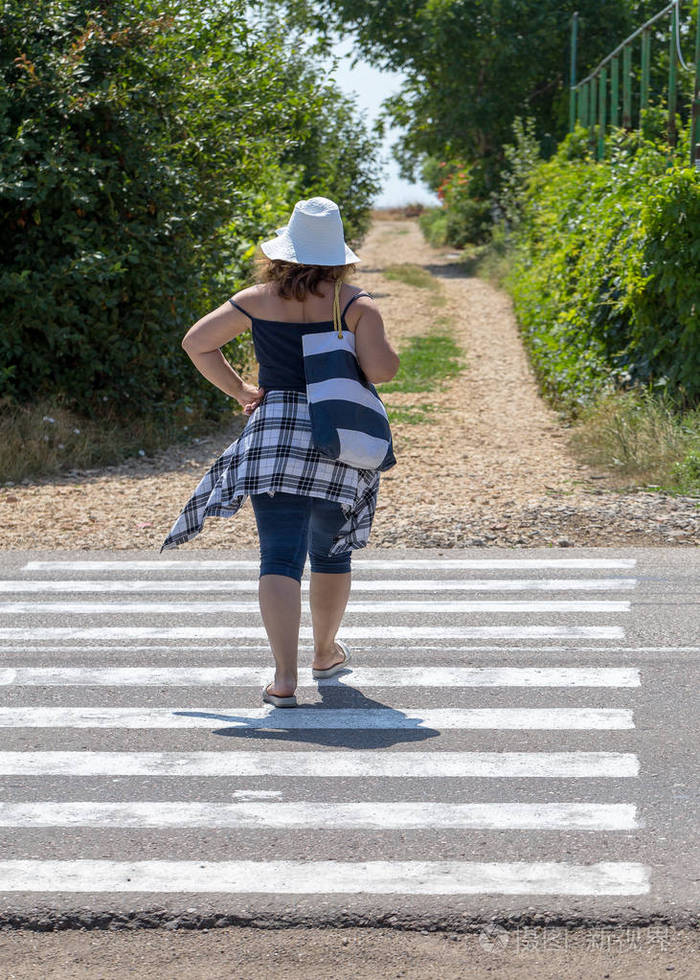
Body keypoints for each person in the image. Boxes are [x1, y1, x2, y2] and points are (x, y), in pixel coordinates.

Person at [160, 197, 400, 708]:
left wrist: (243, 391)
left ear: (283, 252)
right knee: (330, 552)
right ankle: (324, 652)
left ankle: (284, 678)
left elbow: (196, 343)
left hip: (273, 436)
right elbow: (381, 372)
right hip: (336, 435)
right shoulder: (355, 304)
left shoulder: (257, 299)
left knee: (279, 555)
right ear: (340, 256)